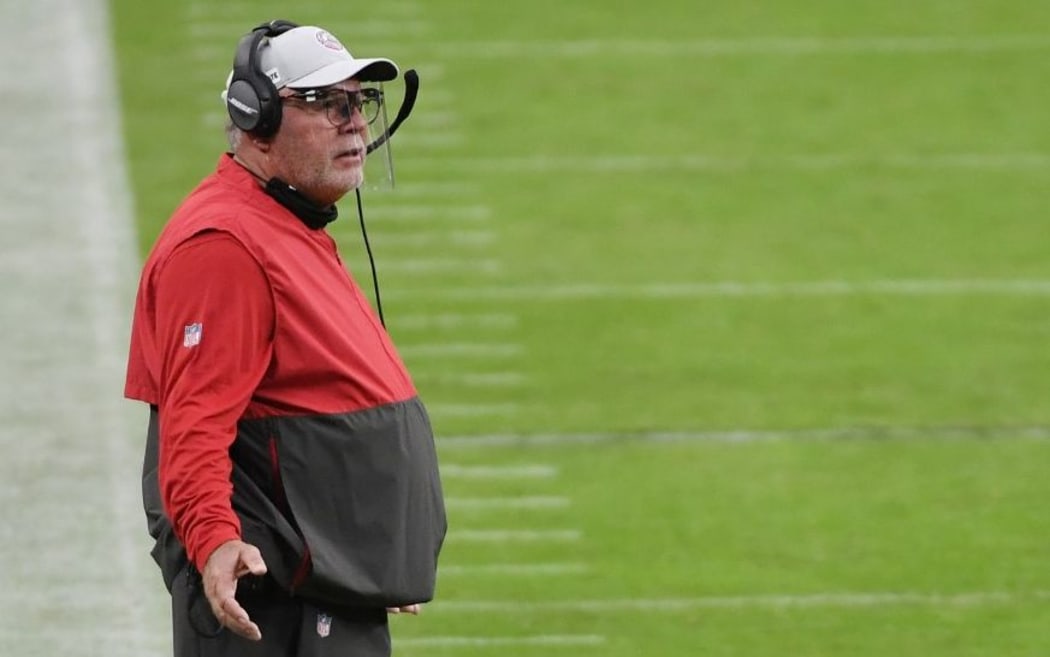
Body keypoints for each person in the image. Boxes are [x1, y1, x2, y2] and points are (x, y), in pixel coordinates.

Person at [124, 19, 447, 657]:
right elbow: (193, 424)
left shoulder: (282, 225)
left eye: (358, 102)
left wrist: (370, 551)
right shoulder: (225, 246)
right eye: (325, 103)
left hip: (327, 588)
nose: (353, 121)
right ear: (258, 116)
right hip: (272, 602)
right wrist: (215, 541)